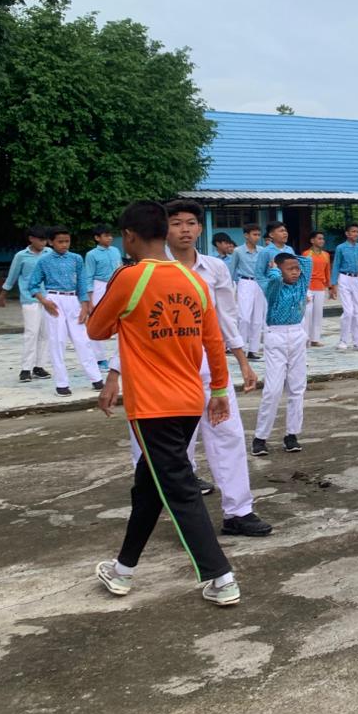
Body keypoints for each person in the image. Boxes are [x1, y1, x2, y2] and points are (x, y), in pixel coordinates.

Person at [87, 200, 240, 607]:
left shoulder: (130, 277)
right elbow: (214, 342)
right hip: (190, 400)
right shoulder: (193, 280)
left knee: (180, 489)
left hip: (153, 406)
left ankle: (221, 577)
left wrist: (126, 318)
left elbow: (96, 329)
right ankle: (122, 570)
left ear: (129, 236)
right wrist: (219, 391)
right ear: (164, 231)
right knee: (150, 486)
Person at [118, 200, 271, 537]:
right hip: (165, 372)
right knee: (175, 450)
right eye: (176, 223)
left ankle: (238, 512)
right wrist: (116, 374)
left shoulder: (214, 268)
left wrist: (243, 361)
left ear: (200, 228)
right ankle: (185, 523)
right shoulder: (145, 272)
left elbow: (225, 319)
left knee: (228, 436)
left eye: (191, 223)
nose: (184, 230)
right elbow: (130, 328)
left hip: (210, 368)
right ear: (164, 229)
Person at [27, 227, 103, 397]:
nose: (64, 245)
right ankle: (61, 384)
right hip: (54, 300)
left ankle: (96, 378)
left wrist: (84, 306)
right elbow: (32, 284)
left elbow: (82, 283)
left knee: (82, 340)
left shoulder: (76, 259)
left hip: (73, 299)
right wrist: (44, 301)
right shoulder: (44, 261)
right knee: (57, 341)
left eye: (67, 241)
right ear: (51, 242)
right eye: (60, 241)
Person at [253, 251, 312, 456]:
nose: (295, 272)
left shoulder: (301, 284)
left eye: (297, 269)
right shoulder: (273, 287)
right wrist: (275, 269)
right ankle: (260, 437)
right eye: (290, 269)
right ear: (279, 270)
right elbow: (272, 276)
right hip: (276, 336)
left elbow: (307, 262)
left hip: (297, 334)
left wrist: (287, 255)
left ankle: (291, 435)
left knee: (297, 388)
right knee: (273, 389)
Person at [0, 225, 52, 382]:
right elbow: (12, 276)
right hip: (30, 298)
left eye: (45, 240)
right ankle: (26, 369)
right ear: (31, 239)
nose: (43, 243)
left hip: (49, 298)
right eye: (40, 240)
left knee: (45, 333)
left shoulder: (49, 253)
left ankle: (39, 366)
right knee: (31, 333)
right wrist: (3, 294)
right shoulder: (21, 256)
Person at [84, 224, 123, 372]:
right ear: (97, 238)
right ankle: (100, 358)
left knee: (121, 319)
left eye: (110, 235)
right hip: (99, 285)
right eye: (106, 236)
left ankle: (120, 356)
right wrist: (89, 299)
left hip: (116, 284)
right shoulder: (91, 255)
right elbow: (88, 276)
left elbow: (120, 268)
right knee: (98, 320)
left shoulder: (115, 251)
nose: (110, 238)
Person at [226, 224, 265, 360]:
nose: (257, 237)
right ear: (246, 235)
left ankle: (253, 350)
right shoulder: (238, 251)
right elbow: (232, 269)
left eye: (258, 234)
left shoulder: (262, 251)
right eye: (254, 234)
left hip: (259, 283)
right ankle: (241, 348)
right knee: (244, 317)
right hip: (245, 282)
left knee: (257, 319)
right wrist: (228, 288)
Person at [332, 223, 358, 351]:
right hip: (344, 278)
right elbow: (336, 265)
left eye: (357, 231)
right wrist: (333, 284)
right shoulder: (340, 248)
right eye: (353, 231)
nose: (356, 234)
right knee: (348, 311)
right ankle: (343, 340)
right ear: (347, 233)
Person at [302, 229, 332, 347]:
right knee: (307, 313)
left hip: (320, 287)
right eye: (319, 238)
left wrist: (330, 287)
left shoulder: (326, 255)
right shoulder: (306, 254)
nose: (322, 241)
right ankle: (305, 338)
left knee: (318, 314)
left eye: (322, 239)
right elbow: (302, 272)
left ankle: (315, 339)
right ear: (312, 240)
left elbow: (327, 272)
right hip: (308, 287)